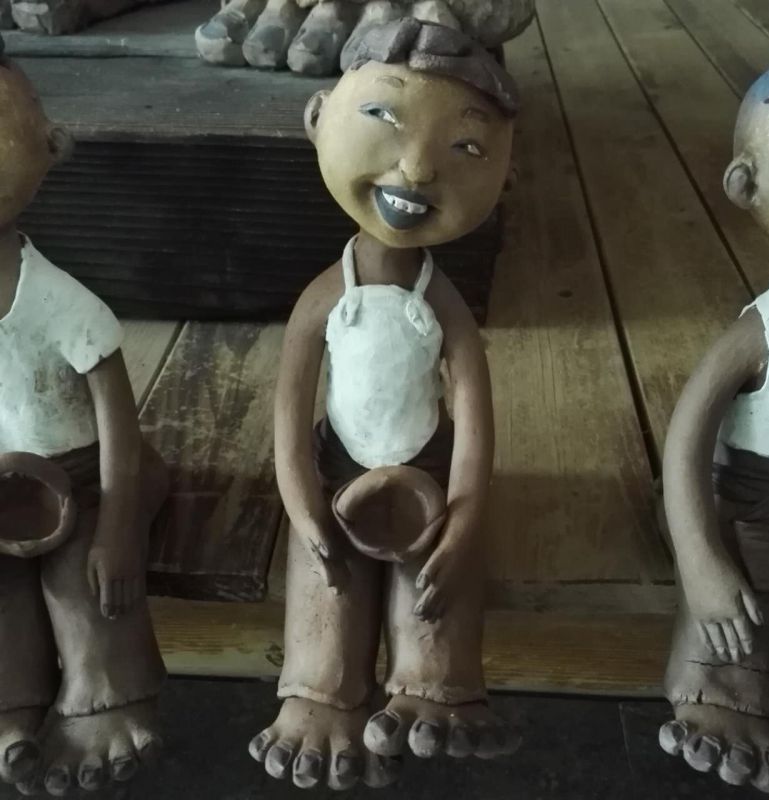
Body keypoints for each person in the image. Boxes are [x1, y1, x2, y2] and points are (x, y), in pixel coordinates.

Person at [247, 18, 520, 790]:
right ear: (318, 118)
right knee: (324, 573)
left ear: (506, 170)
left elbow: (475, 417)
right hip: (338, 466)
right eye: (381, 115)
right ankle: (321, 689)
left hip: (427, 470)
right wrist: (304, 508)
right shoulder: (324, 297)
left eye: (466, 147)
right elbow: (289, 414)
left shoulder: (446, 306)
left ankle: (436, 684)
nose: (418, 167)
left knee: (438, 581)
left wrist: (463, 515)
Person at [0, 52, 168, 795]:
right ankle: (11, 710)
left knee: (84, 583)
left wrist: (120, 525)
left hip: (81, 476)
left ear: (51, 146)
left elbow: (116, 411)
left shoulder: (58, 299)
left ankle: (105, 700)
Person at [659, 49, 769, 796]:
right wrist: (700, 562)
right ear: (746, 184)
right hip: (752, 501)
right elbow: (686, 443)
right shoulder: (761, 334)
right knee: (744, 612)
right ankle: (730, 698)